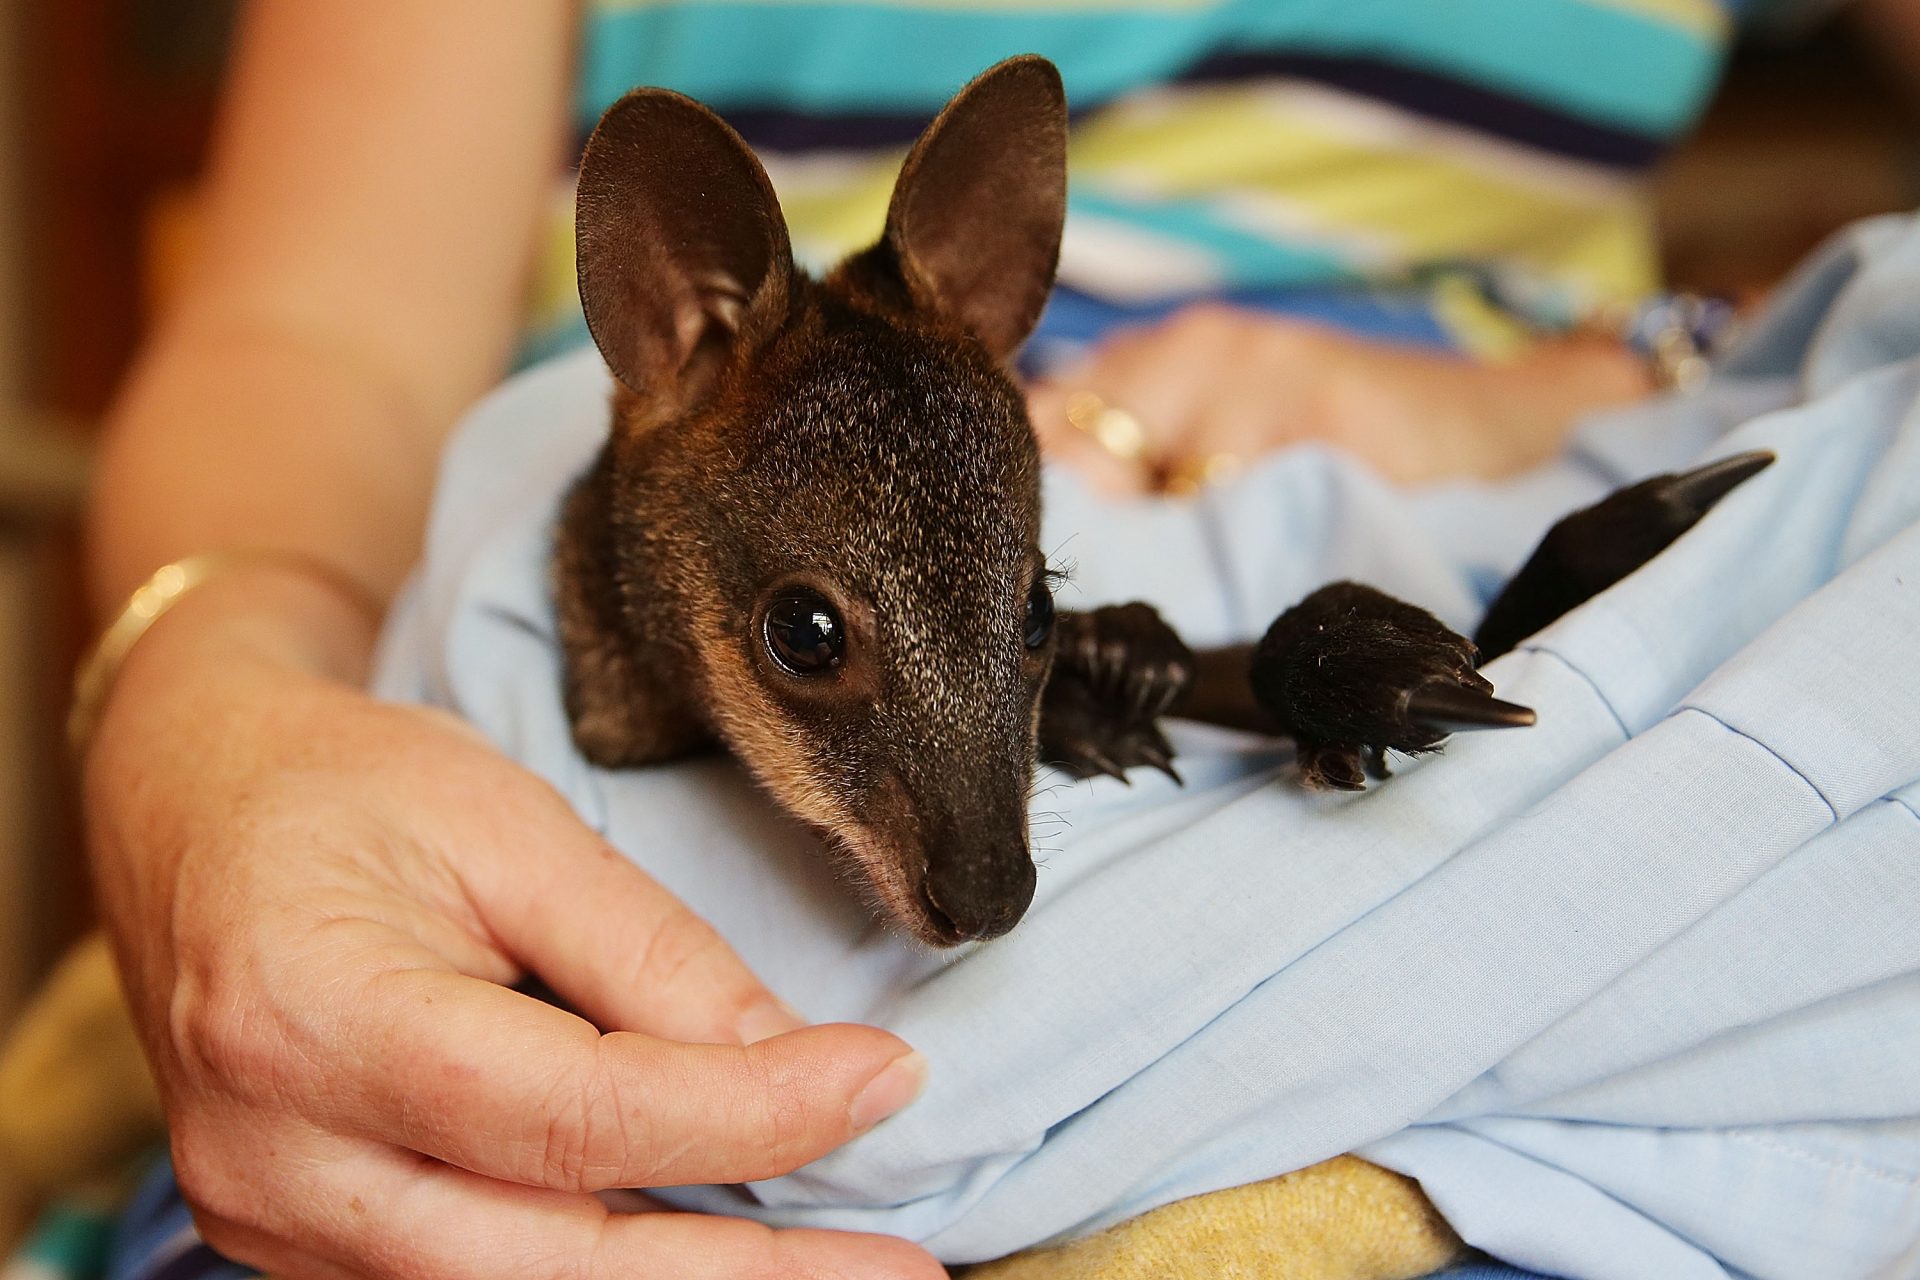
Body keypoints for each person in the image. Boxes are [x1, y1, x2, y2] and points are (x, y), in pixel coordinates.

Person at [78, 3, 1912, 1279]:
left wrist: (1613, 377)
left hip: (1491, 467)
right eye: (811, 649)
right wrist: (201, 715)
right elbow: (308, 336)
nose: (980, 888)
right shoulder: (695, 412)